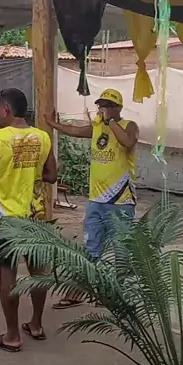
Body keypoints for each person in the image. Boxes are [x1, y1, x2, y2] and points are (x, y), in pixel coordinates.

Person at [0, 88, 57, 352]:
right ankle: (36, 324)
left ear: (6, 110)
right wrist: (30, 173)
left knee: (7, 275)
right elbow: (51, 175)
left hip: (5, 219)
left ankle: (12, 335)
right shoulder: (42, 137)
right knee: (38, 272)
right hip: (36, 216)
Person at [48, 88, 139, 308]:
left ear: (118, 108)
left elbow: (127, 142)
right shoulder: (97, 128)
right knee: (90, 248)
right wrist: (52, 124)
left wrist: (110, 122)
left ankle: (117, 295)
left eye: (108, 105)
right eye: (101, 105)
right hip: (96, 201)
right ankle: (78, 292)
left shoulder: (129, 126)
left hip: (120, 202)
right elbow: (74, 130)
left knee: (121, 251)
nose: (102, 109)